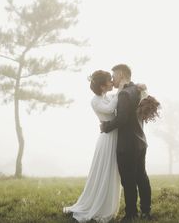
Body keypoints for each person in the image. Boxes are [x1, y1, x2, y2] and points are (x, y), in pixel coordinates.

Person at [63, 70, 121, 223]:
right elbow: (109, 110)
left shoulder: (106, 96)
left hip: (114, 137)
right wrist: (121, 90)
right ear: (102, 86)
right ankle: (99, 205)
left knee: (111, 171)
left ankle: (107, 202)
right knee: (104, 171)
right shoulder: (95, 100)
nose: (112, 82)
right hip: (107, 139)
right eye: (110, 80)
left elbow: (115, 100)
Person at [100, 64, 152, 222]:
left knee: (128, 180)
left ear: (121, 74)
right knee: (141, 177)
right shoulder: (137, 89)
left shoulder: (123, 94)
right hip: (140, 141)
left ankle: (131, 214)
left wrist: (106, 127)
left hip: (127, 145)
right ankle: (146, 211)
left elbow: (122, 118)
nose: (112, 79)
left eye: (113, 75)